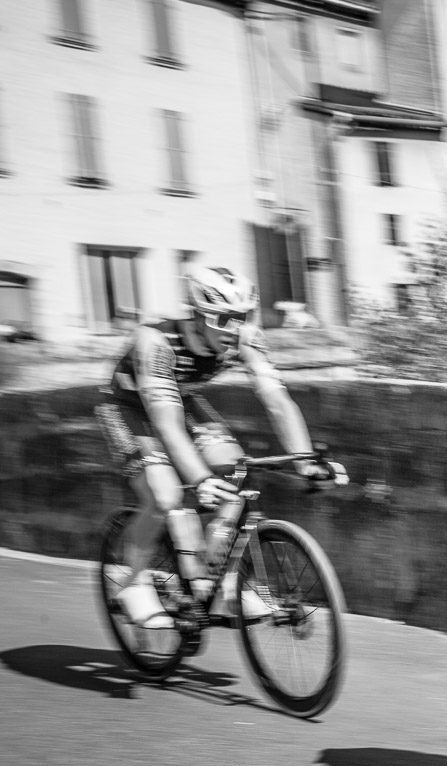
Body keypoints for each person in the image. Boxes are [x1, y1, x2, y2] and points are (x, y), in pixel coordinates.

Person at [95, 265, 343, 630]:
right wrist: (198, 478)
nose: (235, 328)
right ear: (197, 315)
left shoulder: (246, 338)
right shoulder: (156, 341)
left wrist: (306, 461)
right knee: (163, 495)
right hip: (128, 408)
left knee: (234, 468)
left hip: (182, 401)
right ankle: (133, 583)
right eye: (223, 318)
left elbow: (277, 401)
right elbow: (165, 424)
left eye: (242, 317)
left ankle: (221, 582)